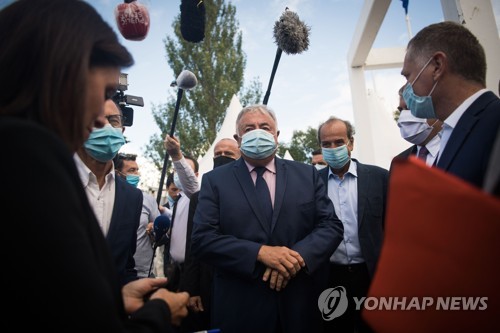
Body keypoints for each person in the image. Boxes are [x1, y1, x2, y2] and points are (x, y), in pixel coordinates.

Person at [0, 0, 189, 331]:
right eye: (103, 90)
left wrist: (112, 301)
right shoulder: (27, 160)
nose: (102, 116)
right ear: (60, 73)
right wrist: (159, 313)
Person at [191, 104, 344, 333]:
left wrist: (296, 258)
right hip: (240, 308)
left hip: (299, 306)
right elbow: (203, 239)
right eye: (249, 128)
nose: (258, 132)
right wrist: (261, 253)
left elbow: (330, 226)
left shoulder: (306, 174)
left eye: (265, 127)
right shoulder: (215, 181)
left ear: (277, 135)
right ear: (238, 138)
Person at [401, 21, 500, 188]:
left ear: (437, 66)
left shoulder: (495, 122)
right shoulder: (451, 131)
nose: (406, 90)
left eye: (408, 76)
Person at [317, 116, 388, 333]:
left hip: (372, 275)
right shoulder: (312, 182)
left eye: (339, 142)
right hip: (330, 276)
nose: (333, 148)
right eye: (326, 144)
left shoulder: (379, 177)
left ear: (351, 143)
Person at [74, 99, 142, 285]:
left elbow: (126, 264)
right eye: (95, 120)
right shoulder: (52, 180)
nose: (105, 126)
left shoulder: (132, 197)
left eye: (113, 121)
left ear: (122, 130)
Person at [180, 138, 241, 332]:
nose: (222, 158)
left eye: (229, 154)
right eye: (218, 154)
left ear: (240, 157)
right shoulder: (200, 196)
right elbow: (192, 245)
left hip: (241, 279)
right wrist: (191, 289)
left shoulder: (252, 192)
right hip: (207, 281)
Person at [115, 152, 161, 278]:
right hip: (113, 270)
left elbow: (160, 232)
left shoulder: (147, 199)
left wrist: (154, 230)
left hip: (142, 273)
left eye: (136, 170)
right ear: (117, 173)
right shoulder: (110, 197)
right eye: (131, 170)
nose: (136, 174)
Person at [391, 85, 442, 168]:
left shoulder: (461, 151)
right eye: (401, 110)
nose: (404, 116)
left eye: (411, 107)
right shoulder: (398, 163)